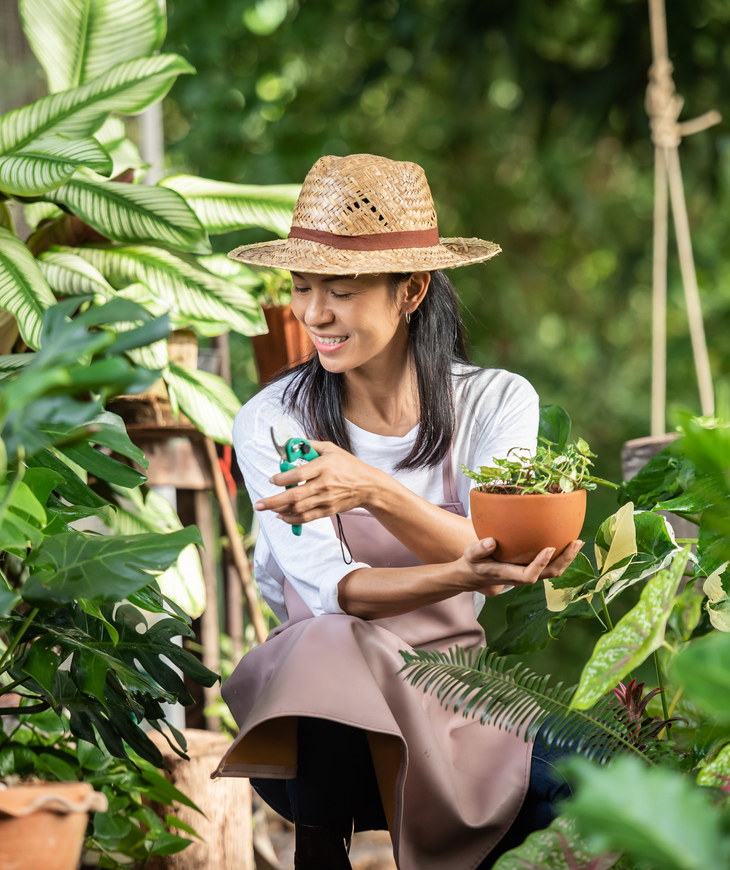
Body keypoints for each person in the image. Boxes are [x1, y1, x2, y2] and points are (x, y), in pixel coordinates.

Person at [212, 154, 583, 870]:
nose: (313, 314)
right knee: (331, 636)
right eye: (302, 287)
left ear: (411, 289)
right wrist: (469, 566)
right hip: (318, 730)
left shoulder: (495, 401)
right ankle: (318, 851)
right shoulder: (272, 420)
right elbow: (340, 591)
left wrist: (372, 489)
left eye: (341, 291)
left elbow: (500, 553)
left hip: (453, 695)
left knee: (595, 785)